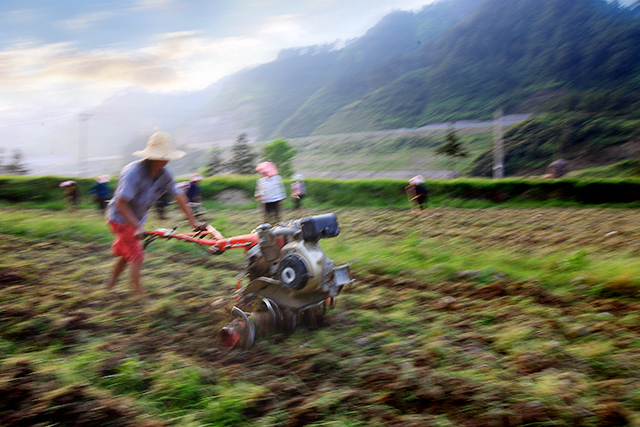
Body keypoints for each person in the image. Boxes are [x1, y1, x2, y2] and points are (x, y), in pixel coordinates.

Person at [106, 131, 201, 296]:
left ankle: (109, 287)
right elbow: (121, 203)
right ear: (152, 157)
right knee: (137, 256)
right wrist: (136, 226)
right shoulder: (133, 173)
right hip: (121, 218)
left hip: (137, 219)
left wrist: (193, 221)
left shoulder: (165, 174)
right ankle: (140, 297)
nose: (165, 160)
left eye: (167, 157)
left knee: (125, 255)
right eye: (162, 157)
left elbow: (179, 196)